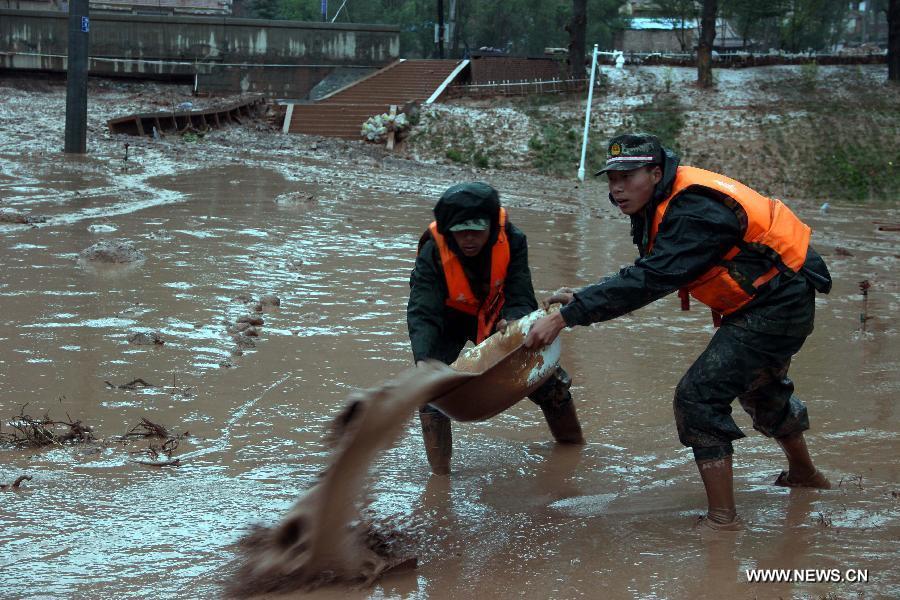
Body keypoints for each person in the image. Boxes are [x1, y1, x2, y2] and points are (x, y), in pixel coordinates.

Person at [525, 133, 832, 529]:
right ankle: (805, 476)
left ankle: (723, 519)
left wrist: (567, 316)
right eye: (611, 179)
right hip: (764, 298)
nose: (617, 188)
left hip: (778, 301)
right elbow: (650, 269)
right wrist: (585, 297)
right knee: (761, 386)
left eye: (627, 176)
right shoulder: (659, 200)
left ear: (655, 173)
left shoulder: (695, 209)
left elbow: (654, 278)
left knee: (698, 397)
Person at [408, 182, 585, 475]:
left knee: (548, 381)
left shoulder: (513, 239)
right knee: (430, 390)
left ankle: (573, 448)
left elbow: (520, 294)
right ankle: (440, 477)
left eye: (477, 231)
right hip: (447, 315)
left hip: (495, 312)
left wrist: (514, 321)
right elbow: (422, 311)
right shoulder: (433, 249)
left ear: (492, 225)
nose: (468, 239)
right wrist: (424, 360)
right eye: (460, 231)